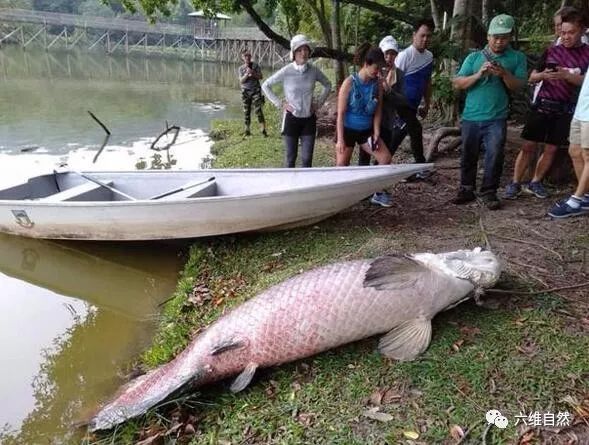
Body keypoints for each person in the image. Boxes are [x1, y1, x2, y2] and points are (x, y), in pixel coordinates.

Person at [504, 8, 589, 200]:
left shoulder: (587, 54)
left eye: (570, 32)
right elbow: (532, 77)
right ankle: (515, 183)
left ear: (582, 31)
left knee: (551, 148)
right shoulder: (552, 51)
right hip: (542, 104)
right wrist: (544, 75)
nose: (565, 36)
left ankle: (535, 182)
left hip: (567, 108)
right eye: (562, 32)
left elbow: (587, 81)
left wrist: (568, 76)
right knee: (528, 146)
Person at [451, 14, 527, 210]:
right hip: (471, 116)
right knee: (468, 153)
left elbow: (518, 86)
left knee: (494, 154)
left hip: (497, 117)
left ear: (510, 37)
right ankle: (466, 188)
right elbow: (458, 82)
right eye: (495, 37)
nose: (499, 41)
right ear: (488, 36)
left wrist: (503, 74)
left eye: (503, 37)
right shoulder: (474, 57)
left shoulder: (517, 58)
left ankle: (489, 191)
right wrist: (479, 74)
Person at [262, 34, 332, 168]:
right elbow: (266, 85)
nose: (304, 53)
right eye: (300, 50)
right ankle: (290, 187)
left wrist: (318, 103)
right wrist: (281, 104)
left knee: (307, 160)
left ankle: (305, 187)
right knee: (290, 159)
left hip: (309, 119)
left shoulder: (314, 71)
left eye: (306, 50)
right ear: (294, 53)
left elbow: (328, 84)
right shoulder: (287, 71)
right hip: (291, 119)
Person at [358, 35, 407, 207]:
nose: (389, 58)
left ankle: (378, 190)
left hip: (387, 122)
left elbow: (403, 100)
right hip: (368, 121)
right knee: (364, 155)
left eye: (393, 54)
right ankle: (362, 189)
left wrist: (389, 91)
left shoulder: (399, 75)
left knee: (383, 155)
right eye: (387, 54)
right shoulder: (372, 71)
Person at [387, 18, 435, 175]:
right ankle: (379, 166)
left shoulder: (429, 57)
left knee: (413, 131)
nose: (425, 39)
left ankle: (419, 167)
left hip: (413, 105)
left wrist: (427, 103)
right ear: (414, 35)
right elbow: (392, 83)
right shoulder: (405, 56)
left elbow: (427, 82)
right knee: (404, 133)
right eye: (422, 35)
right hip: (402, 106)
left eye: (428, 36)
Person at [335, 44, 391, 168]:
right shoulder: (349, 83)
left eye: (380, 69)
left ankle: (373, 186)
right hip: (347, 130)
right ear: (366, 64)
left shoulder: (377, 84)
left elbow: (378, 110)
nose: (378, 72)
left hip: (366, 131)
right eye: (376, 68)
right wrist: (340, 140)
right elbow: (341, 114)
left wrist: (376, 132)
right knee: (341, 165)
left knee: (385, 159)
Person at [547, 66, 589, 218]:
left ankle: (576, 201)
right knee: (575, 152)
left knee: (588, 156)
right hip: (581, 110)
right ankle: (586, 196)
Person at [238, 48, 267, 137]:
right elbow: (241, 81)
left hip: (255, 90)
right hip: (245, 91)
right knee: (246, 111)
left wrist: (253, 73)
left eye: (249, 55)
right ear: (242, 57)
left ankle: (263, 130)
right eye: (245, 56)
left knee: (258, 110)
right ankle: (247, 130)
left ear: (251, 57)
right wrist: (247, 74)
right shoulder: (241, 68)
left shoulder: (256, 66)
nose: (247, 57)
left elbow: (261, 76)